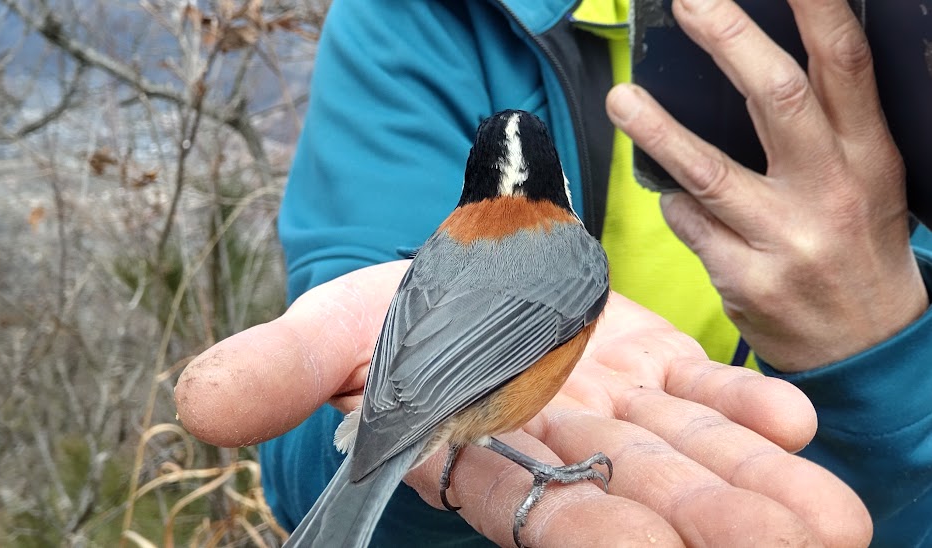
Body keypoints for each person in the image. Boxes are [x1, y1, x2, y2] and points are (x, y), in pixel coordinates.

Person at [175, 0, 932, 545]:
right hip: (445, 411)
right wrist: (512, 473)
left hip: (403, 391)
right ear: (557, 187)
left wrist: (389, 415)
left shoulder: (448, 236)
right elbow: (485, 359)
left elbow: (418, 334)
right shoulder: (415, 27)